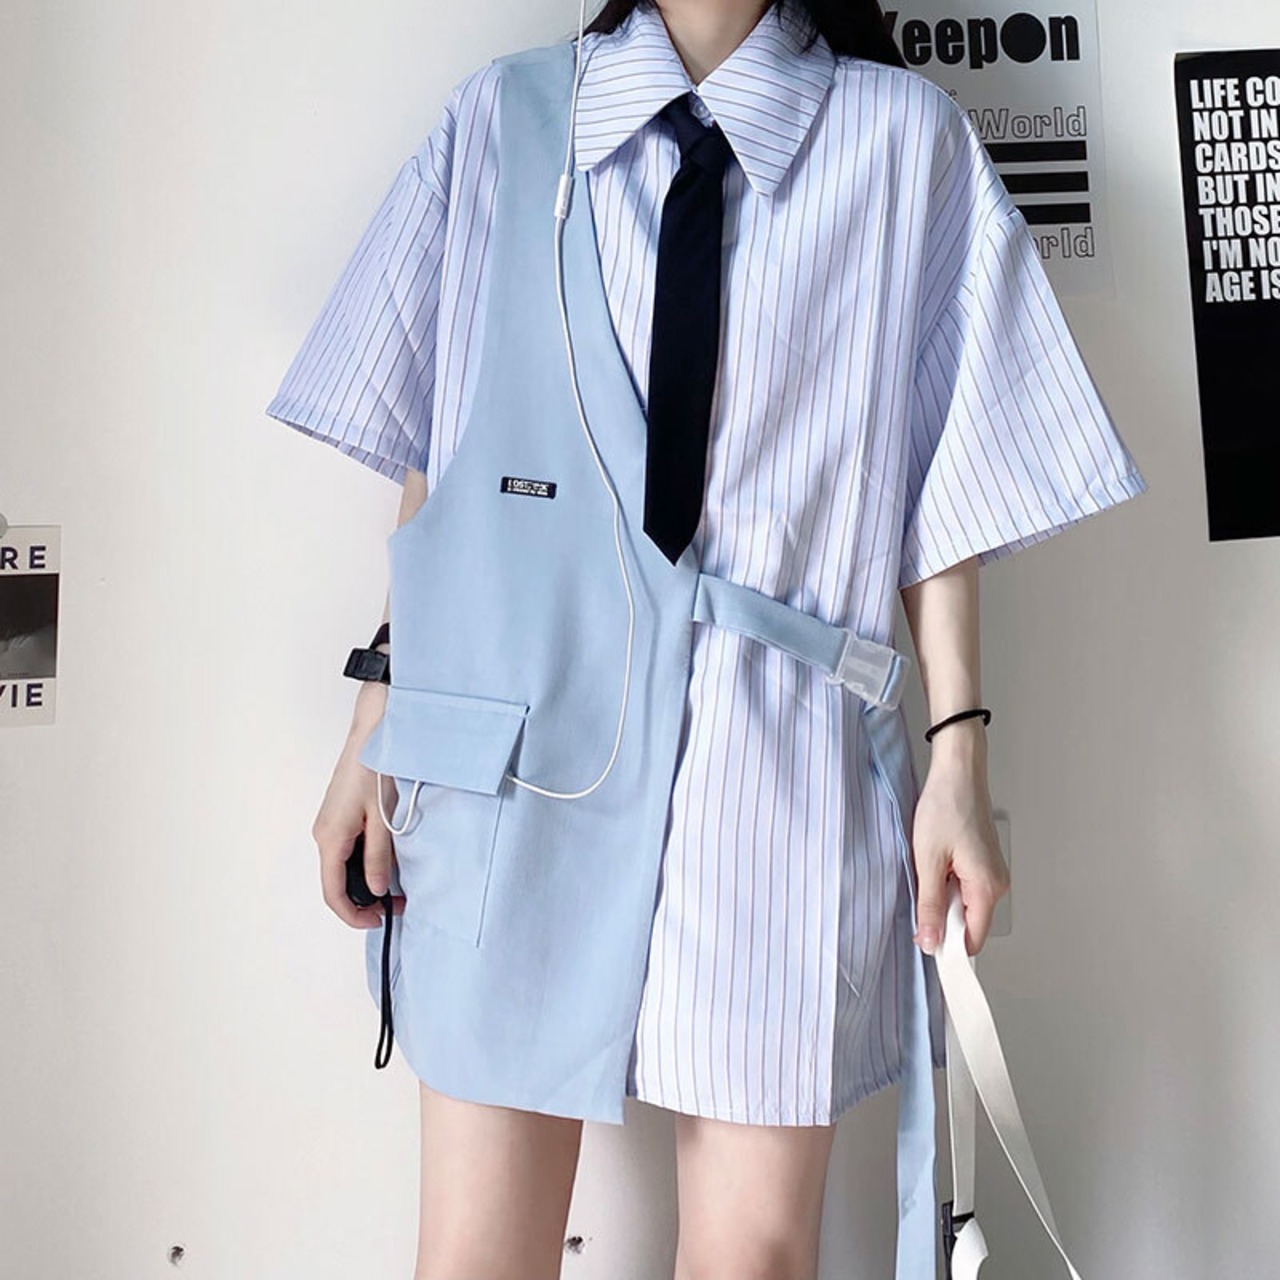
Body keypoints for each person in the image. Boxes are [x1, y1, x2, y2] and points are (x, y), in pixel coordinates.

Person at [264, 2, 1148, 1277]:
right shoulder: (505, 118)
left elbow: (943, 488)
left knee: (751, 1258)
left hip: (773, 761)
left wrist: (957, 755)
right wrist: (374, 722)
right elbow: (445, 455)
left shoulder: (903, 143)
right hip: (510, 751)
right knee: (473, 1255)